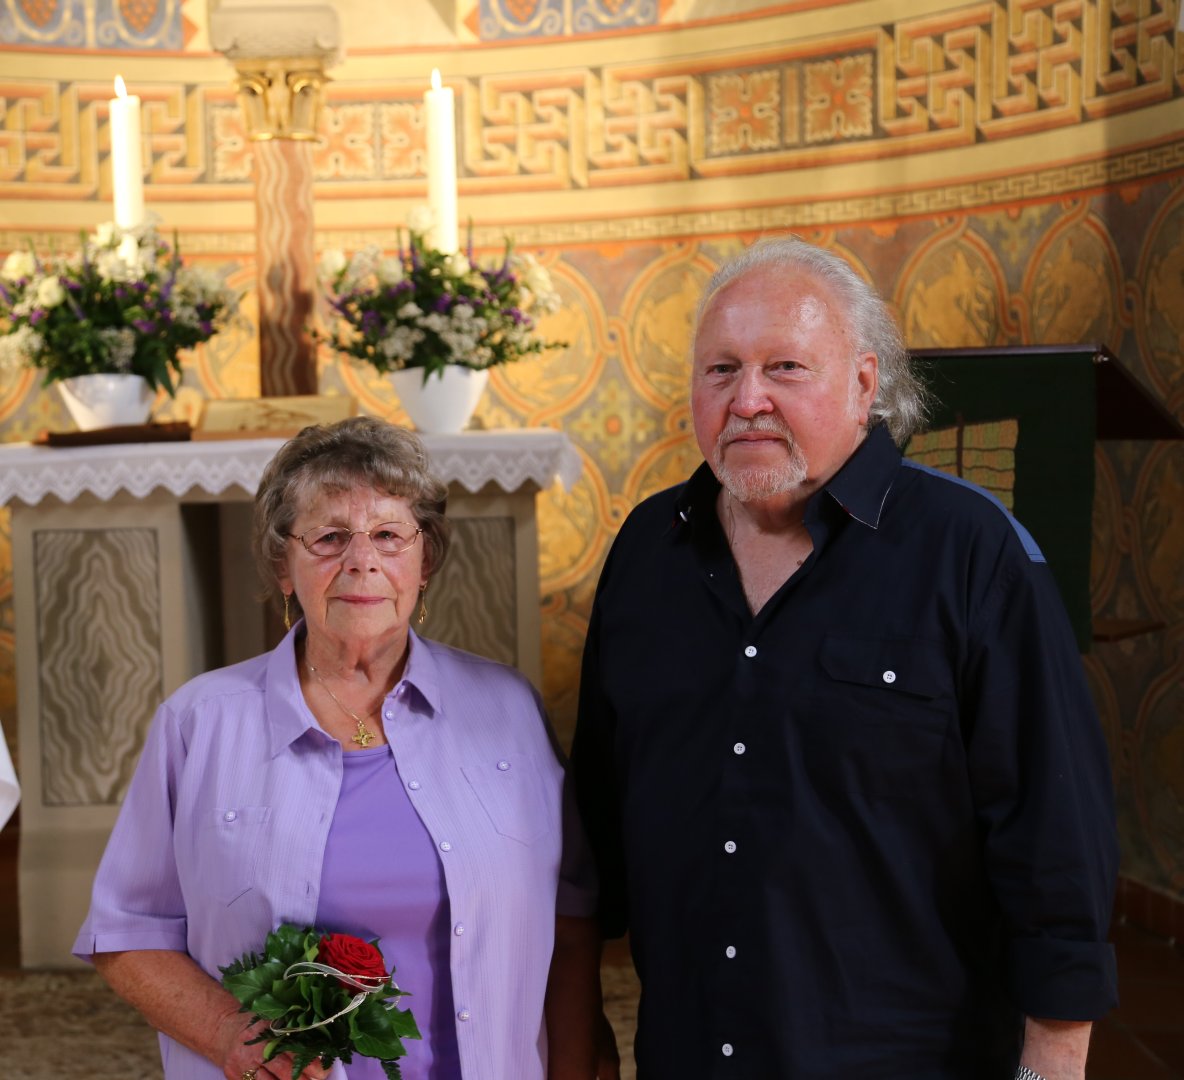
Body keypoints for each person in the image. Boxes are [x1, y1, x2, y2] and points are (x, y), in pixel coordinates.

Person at [572, 237, 1118, 1079]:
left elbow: (1055, 837)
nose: (747, 399)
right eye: (720, 370)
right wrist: (578, 1031)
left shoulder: (971, 553)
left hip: (904, 1055)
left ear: (865, 383)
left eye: (784, 367)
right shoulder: (649, 550)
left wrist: (1052, 1063)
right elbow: (597, 819)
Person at [74, 416, 599, 1080]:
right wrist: (235, 1040)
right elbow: (126, 933)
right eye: (328, 538)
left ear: (425, 559)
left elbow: (572, 925)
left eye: (388, 535)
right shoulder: (199, 724)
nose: (362, 561)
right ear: (281, 566)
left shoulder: (508, 709)